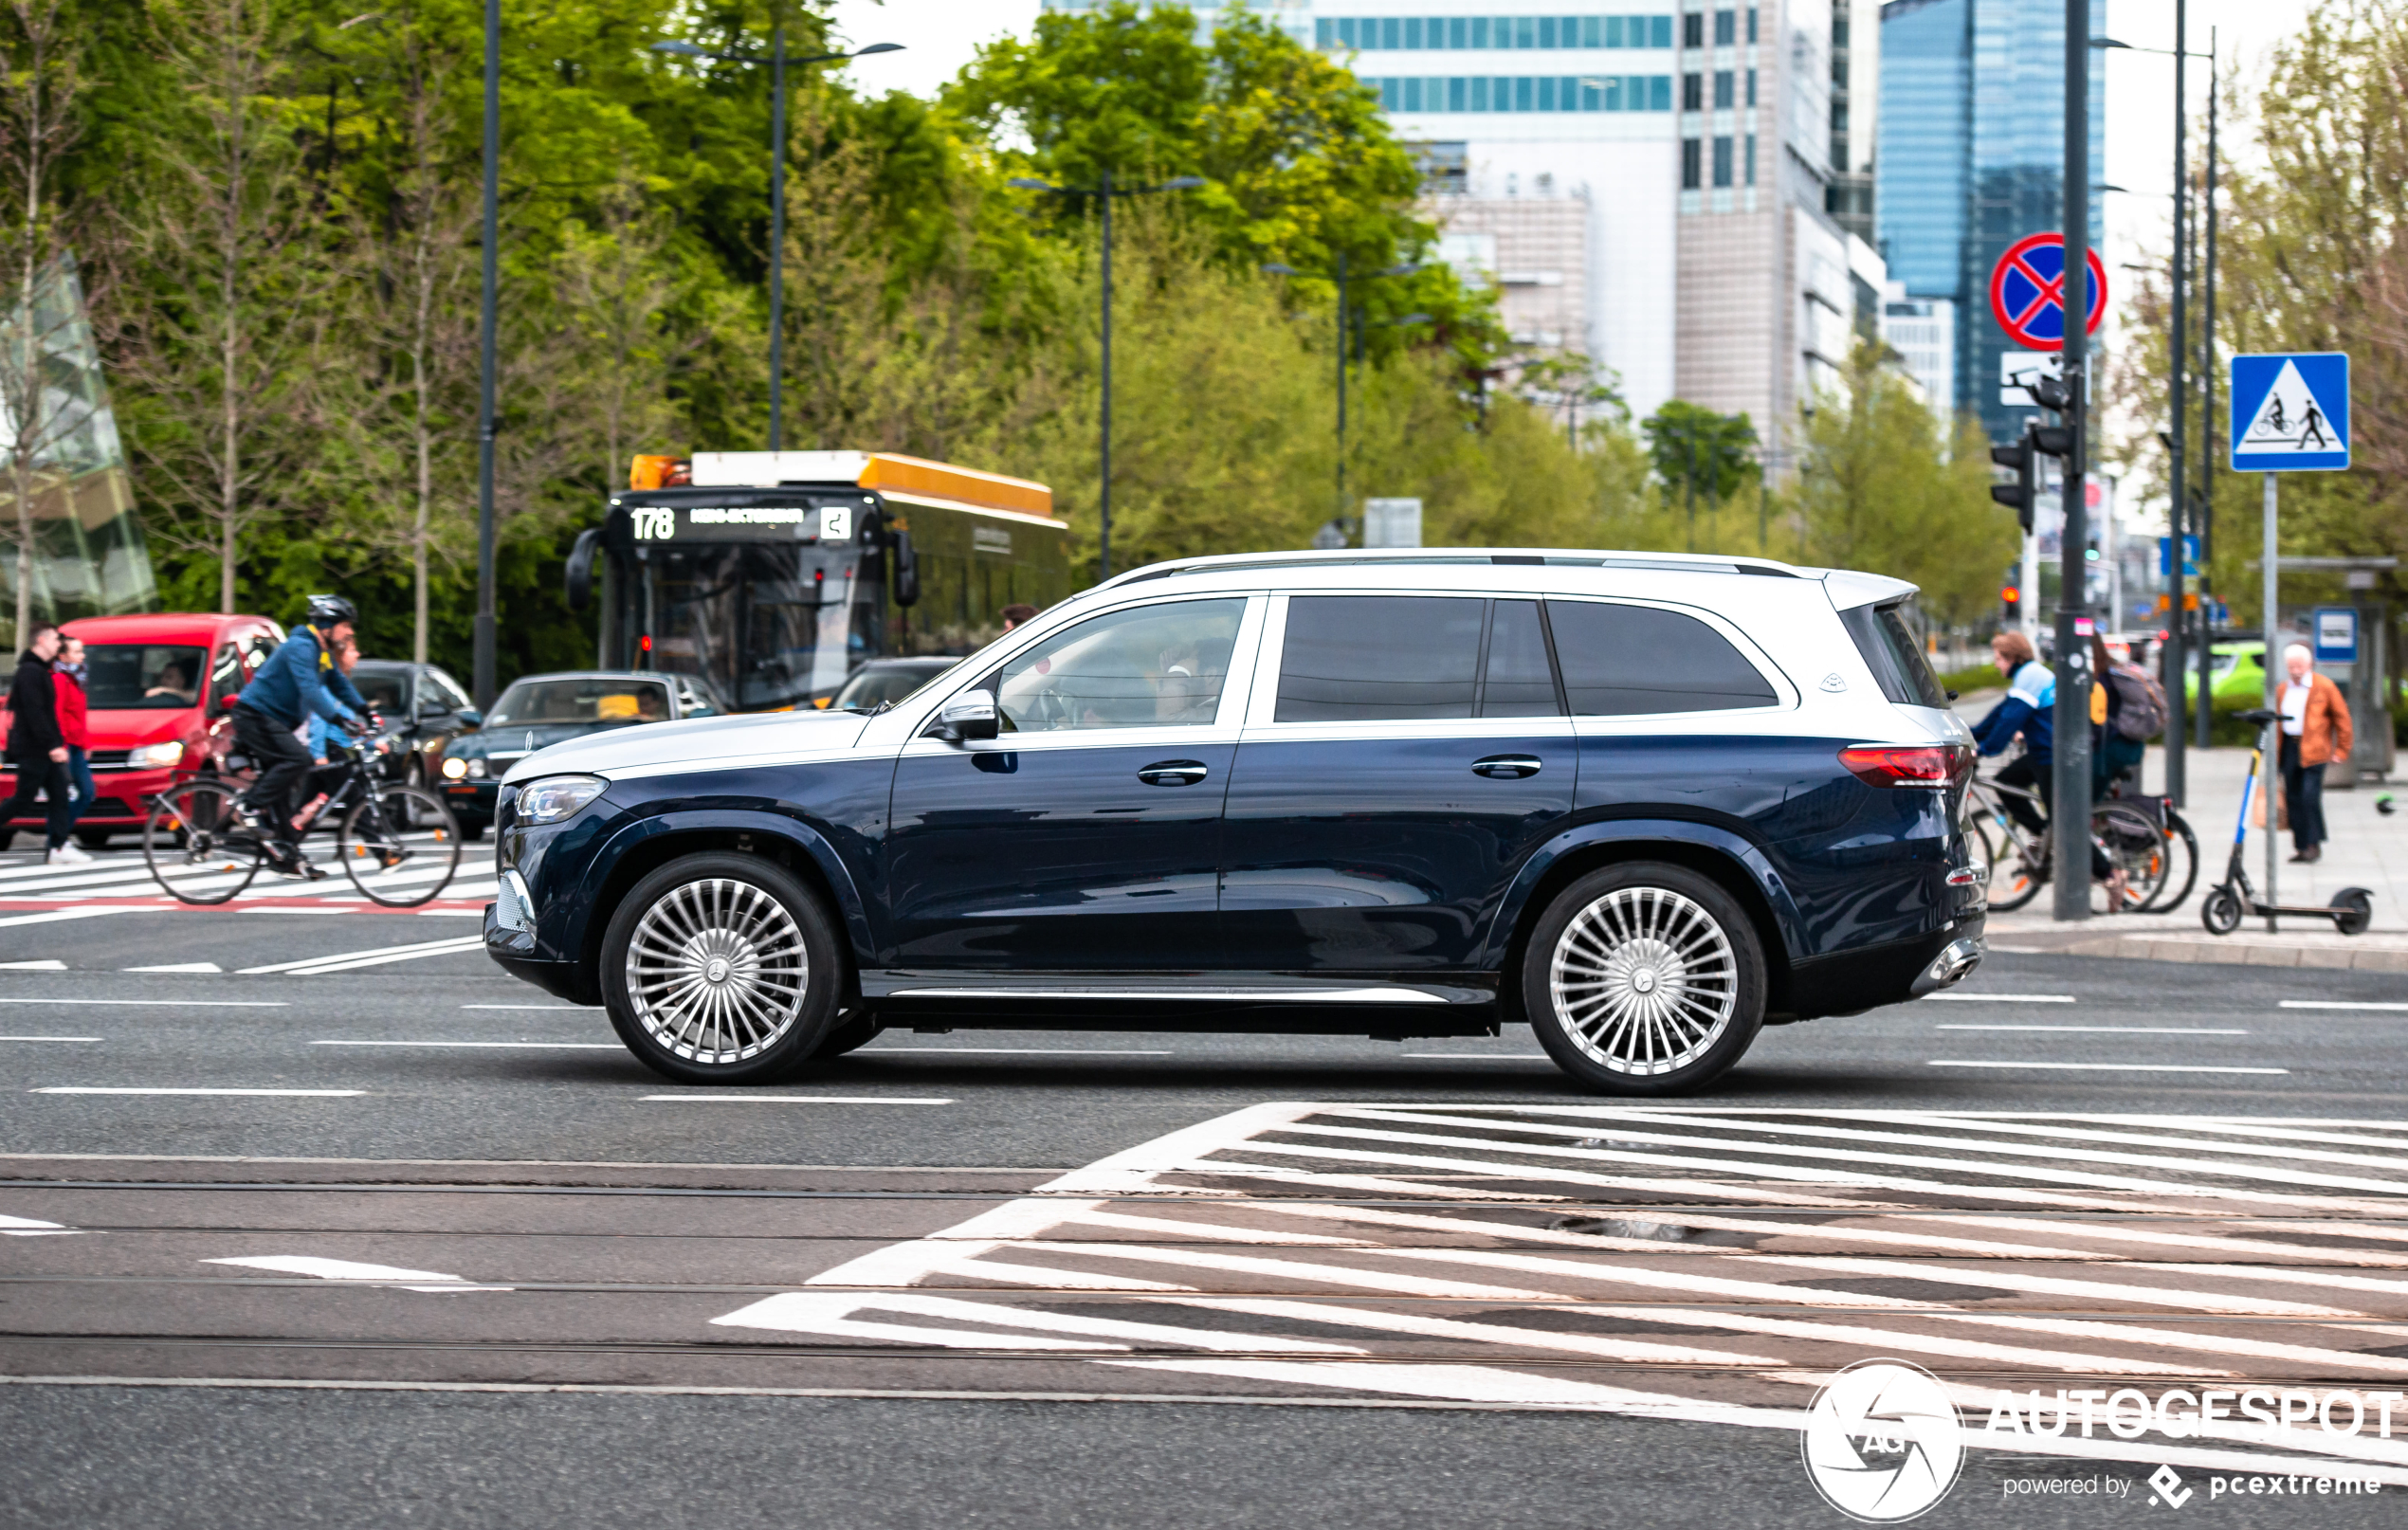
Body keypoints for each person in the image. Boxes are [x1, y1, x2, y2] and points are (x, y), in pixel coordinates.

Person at [232, 595, 369, 877]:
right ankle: (248, 806)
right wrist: (339, 720)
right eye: (345, 625)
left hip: (271, 719)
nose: (350, 632)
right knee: (297, 758)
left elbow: (338, 685)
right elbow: (310, 689)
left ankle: (286, 856)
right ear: (327, 626)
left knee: (283, 782)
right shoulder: (300, 647)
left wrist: (366, 711)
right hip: (254, 714)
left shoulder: (320, 652)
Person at [0, 625, 82, 865]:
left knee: (59, 794)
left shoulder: (39, 670)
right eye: (57, 639)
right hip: (34, 748)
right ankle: (58, 845)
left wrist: (56, 743)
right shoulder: (30, 672)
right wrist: (52, 745)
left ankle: (58, 846)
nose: (60, 644)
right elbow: (34, 713)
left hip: (42, 747)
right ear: (42, 640)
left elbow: (46, 714)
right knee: (24, 798)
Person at [2278, 641, 2353, 865]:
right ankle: (2301, 845)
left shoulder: (2324, 686)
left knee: (2309, 797)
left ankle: (2314, 843)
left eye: (2299, 666)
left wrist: (2341, 749)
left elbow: (2343, 719)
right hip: (2289, 747)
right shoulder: (2283, 689)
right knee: (2292, 797)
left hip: (2315, 748)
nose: (2295, 670)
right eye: (2291, 666)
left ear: (2309, 664)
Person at [54, 635, 91, 837]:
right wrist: (61, 745)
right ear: (63, 656)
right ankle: (58, 838)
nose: (82, 656)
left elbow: (80, 715)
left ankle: (59, 834)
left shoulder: (78, 678)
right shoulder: (61, 679)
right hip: (66, 745)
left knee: (87, 793)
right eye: (76, 652)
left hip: (76, 744)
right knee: (62, 795)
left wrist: (86, 743)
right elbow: (57, 713)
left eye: (82, 651)